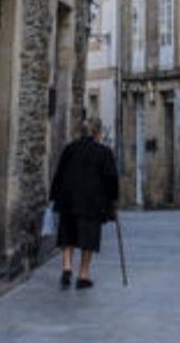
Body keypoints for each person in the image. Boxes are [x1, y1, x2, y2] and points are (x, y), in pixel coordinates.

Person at [49, 117, 119, 290]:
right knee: (88, 238)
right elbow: (111, 179)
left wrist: (55, 196)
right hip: (91, 202)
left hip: (68, 199)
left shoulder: (69, 149)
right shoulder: (104, 152)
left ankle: (66, 267)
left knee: (68, 233)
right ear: (98, 133)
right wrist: (113, 200)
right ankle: (83, 275)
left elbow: (59, 174)